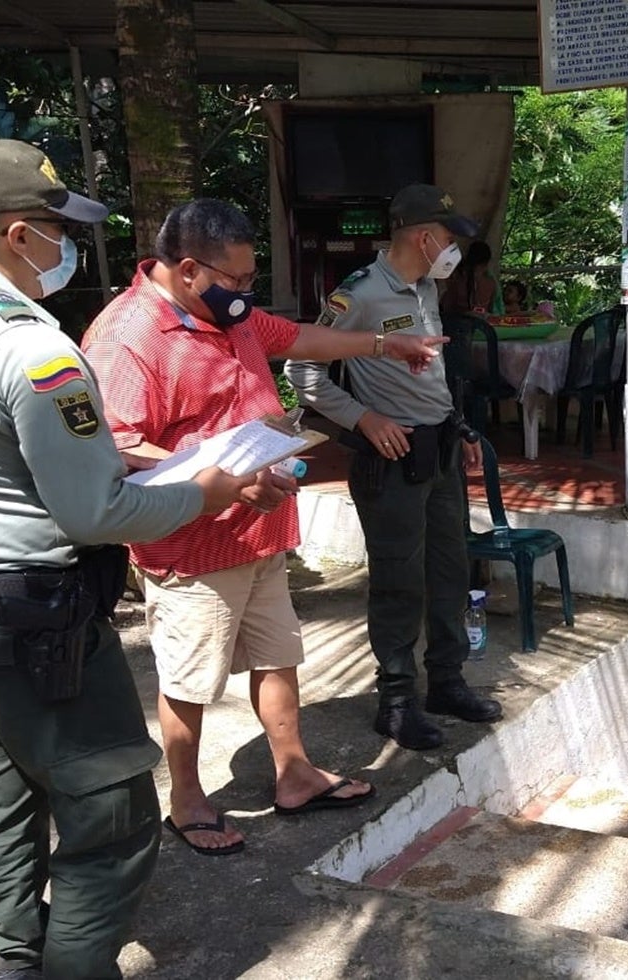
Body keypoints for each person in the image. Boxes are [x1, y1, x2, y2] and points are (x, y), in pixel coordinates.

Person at [0, 138, 268, 980]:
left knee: (5, 790)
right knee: (114, 816)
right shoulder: (33, 348)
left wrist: (136, 464)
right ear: (18, 234)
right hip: (32, 622)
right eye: (57, 228)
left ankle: (18, 960)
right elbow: (95, 513)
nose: (64, 247)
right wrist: (211, 492)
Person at [81, 198, 447, 855]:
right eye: (238, 282)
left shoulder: (228, 313)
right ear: (189, 270)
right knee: (191, 679)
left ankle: (295, 772)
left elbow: (300, 338)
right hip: (191, 543)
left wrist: (384, 344)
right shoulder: (129, 337)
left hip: (260, 527)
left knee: (278, 654)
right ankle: (187, 800)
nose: (247, 295)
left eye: (253, 281)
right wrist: (221, 475)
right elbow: (119, 446)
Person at [285, 183, 503, 751]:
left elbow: (428, 375)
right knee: (399, 582)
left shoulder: (426, 285)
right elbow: (302, 371)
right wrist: (363, 420)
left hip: (440, 455)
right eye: (449, 238)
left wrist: (460, 427)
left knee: (452, 572)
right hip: (393, 459)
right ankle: (397, 700)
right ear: (423, 236)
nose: (454, 249)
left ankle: (447, 683)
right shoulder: (359, 294)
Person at [440, 240, 501, 315]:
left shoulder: (457, 281)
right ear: (487, 263)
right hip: (482, 324)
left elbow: (446, 307)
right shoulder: (491, 284)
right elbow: (492, 309)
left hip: (458, 323)